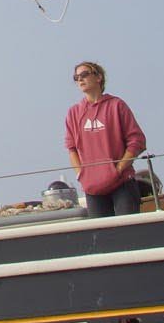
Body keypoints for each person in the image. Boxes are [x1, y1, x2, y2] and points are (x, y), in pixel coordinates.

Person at [62, 61, 147, 217]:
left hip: (122, 183)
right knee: (102, 236)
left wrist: (119, 168)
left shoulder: (117, 105)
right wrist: (81, 174)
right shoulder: (73, 113)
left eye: (84, 74)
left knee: (128, 231)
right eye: (76, 77)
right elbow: (71, 148)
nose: (80, 79)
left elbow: (137, 140)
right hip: (92, 188)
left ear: (98, 77)